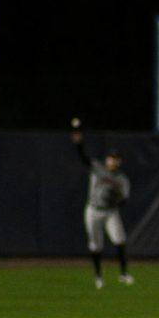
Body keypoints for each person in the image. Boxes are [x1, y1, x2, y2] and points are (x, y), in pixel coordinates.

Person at [70, 123, 132, 289]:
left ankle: (123, 274)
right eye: (111, 158)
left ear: (120, 161)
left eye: (116, 158)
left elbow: (125, 199)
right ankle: (98, 276)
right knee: (96, 245)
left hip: (111, 211)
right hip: (93, 210)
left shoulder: (122, 179)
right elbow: (83, 158)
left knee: (120, 240)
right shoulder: (98, 168)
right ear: (107, 160)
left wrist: (116, 200)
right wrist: (78, 144)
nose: (113, 161)